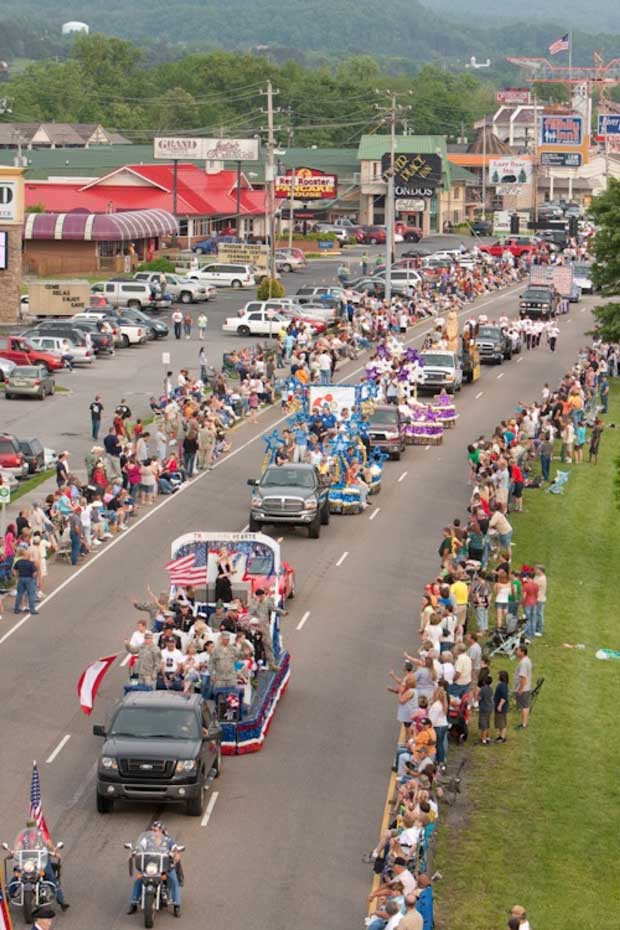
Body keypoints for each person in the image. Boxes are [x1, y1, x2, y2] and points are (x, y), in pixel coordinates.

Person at [12, 819, 69, 910]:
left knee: (51, 877)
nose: (31, 829)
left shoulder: (42, 834)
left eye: (33, 826)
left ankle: (61, 901)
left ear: (36, 826)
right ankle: (6, 897)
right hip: (27, 862)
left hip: (41, 860)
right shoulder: (24, 835)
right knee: (17, 876)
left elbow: (49, 843)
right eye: (30, 827)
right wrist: (14, 852)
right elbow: (18, 845)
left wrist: (55, 850)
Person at [128, 821, 182, 917]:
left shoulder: (168, 840)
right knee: (138, 880)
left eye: (155, 830)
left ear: (161, 831)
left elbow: (175, 848)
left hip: (165, 867)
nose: (153, 832)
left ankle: (177, 905)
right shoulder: (147, 839)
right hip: (150, 866)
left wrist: (176, 854)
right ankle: (133, 903)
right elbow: (140, 847)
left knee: (174, 881)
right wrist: (134, 852)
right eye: (152, 830)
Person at [13, 547, 40, 615]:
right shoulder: (30, 563)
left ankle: (17, 609)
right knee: (31, 594)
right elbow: (34, 573)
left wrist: (16, 576)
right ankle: (32, 610)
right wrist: (34, 578)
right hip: (29, 579)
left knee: (19, 594)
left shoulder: (18, 562)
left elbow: (14, 569)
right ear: (27, 556)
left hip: (21, 578)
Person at [513, 645, 532, 729]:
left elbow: (523, 677)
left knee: (524, 706)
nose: (516, 652)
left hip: (523, 689)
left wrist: (520, 689)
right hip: (526, 688)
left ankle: (524, 724)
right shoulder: (527, 660)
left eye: (518, 651)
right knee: (525, 706)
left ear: (522, 652)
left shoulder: (523, 663)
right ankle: (524, 722)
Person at [494, 668, 509, 742]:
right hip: (499, 706)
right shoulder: (502, 684)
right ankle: (500, 736)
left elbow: (504, 697)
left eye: (498, 675)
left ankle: (502, 737)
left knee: (502, 723)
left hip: (501, 707)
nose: (497, 676)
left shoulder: (502, 686)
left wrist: (500, 706)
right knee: (500, 722)